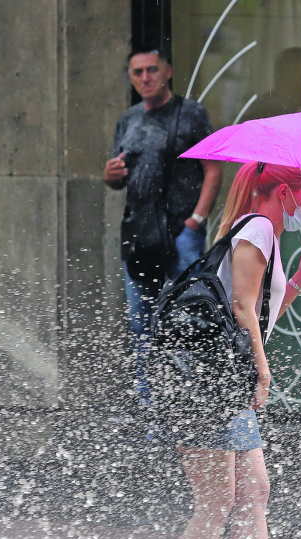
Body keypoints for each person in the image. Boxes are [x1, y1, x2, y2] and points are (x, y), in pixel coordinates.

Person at [168, 162, 301, 539]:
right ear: (285, 193)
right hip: (209, 387)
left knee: (253, 492)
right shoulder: (256, 229)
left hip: (222, 386)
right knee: (216, 502)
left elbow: (259, 313)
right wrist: (262, 370)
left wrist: (297, 281)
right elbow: (240, 309)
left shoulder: (265, 236)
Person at [105, 47, 222, 412]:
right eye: (137, 72)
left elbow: (213, 170)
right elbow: (117, 179)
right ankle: (150, 404)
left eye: (152, 70)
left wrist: (195, 221)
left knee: (192, 318)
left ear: (167, 71)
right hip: (140, 235)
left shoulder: (190, 113)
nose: (145, 78)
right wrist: (111, 176)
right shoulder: (128, 119)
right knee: (141, 323)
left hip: (181, 234)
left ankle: (196, 402)